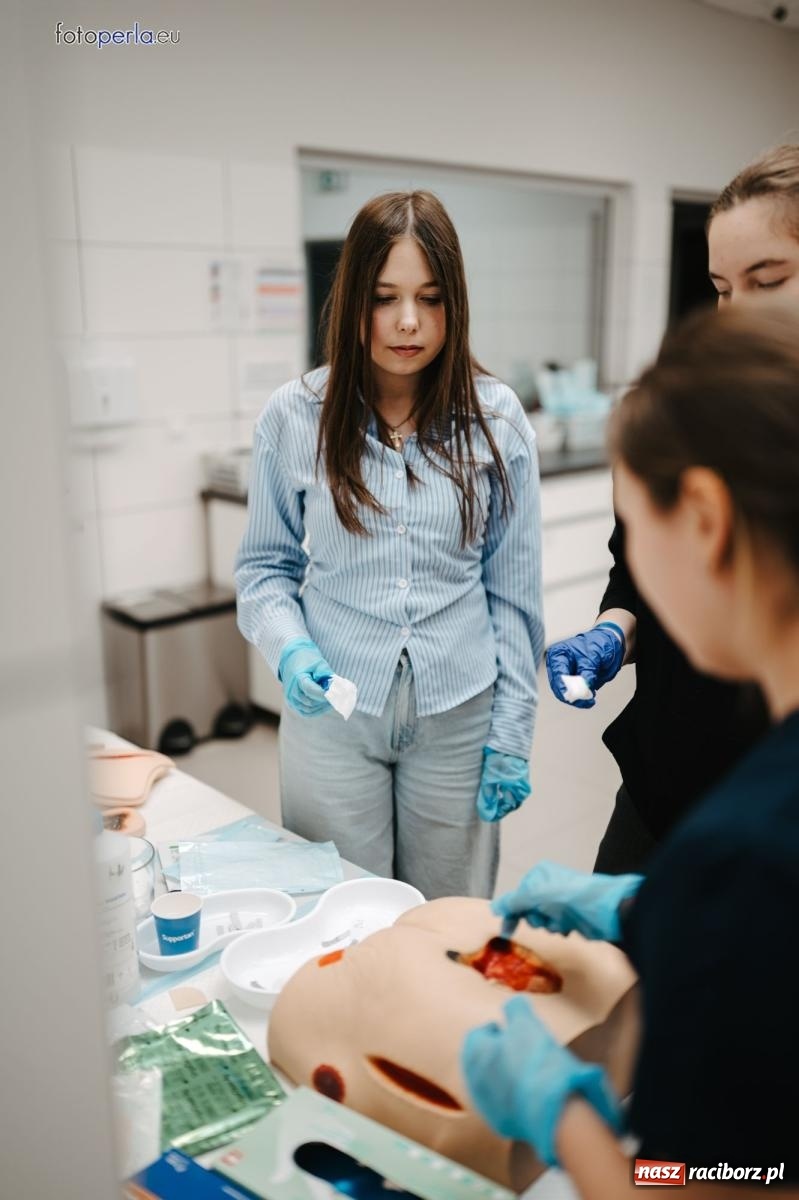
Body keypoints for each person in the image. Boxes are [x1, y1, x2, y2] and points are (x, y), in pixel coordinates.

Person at [462, 304, 799, 1197]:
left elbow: (728, 1179)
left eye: (635, 531)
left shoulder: (741, 850)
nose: (633, 570)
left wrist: (565, 1120)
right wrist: (644, 912)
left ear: (702, 518)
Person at [235, 191, 543, 901]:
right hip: (334, 715)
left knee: (444, 922)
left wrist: (511, 732)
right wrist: (289, 648)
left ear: (453, 305)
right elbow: (263, 570)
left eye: (430, 299)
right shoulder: (294, 416)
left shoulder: (495, 420)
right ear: (352, 303)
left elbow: (514, 597)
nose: (408, 322)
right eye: (385, 298)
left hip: (459, 712)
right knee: (342, 913)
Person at [545, 143, 799, 873]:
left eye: (767, 279)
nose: (736, 311)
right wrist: (614, 629)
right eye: (722, 287)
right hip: (661, 787)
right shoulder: (692, 416)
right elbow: (634, 563)